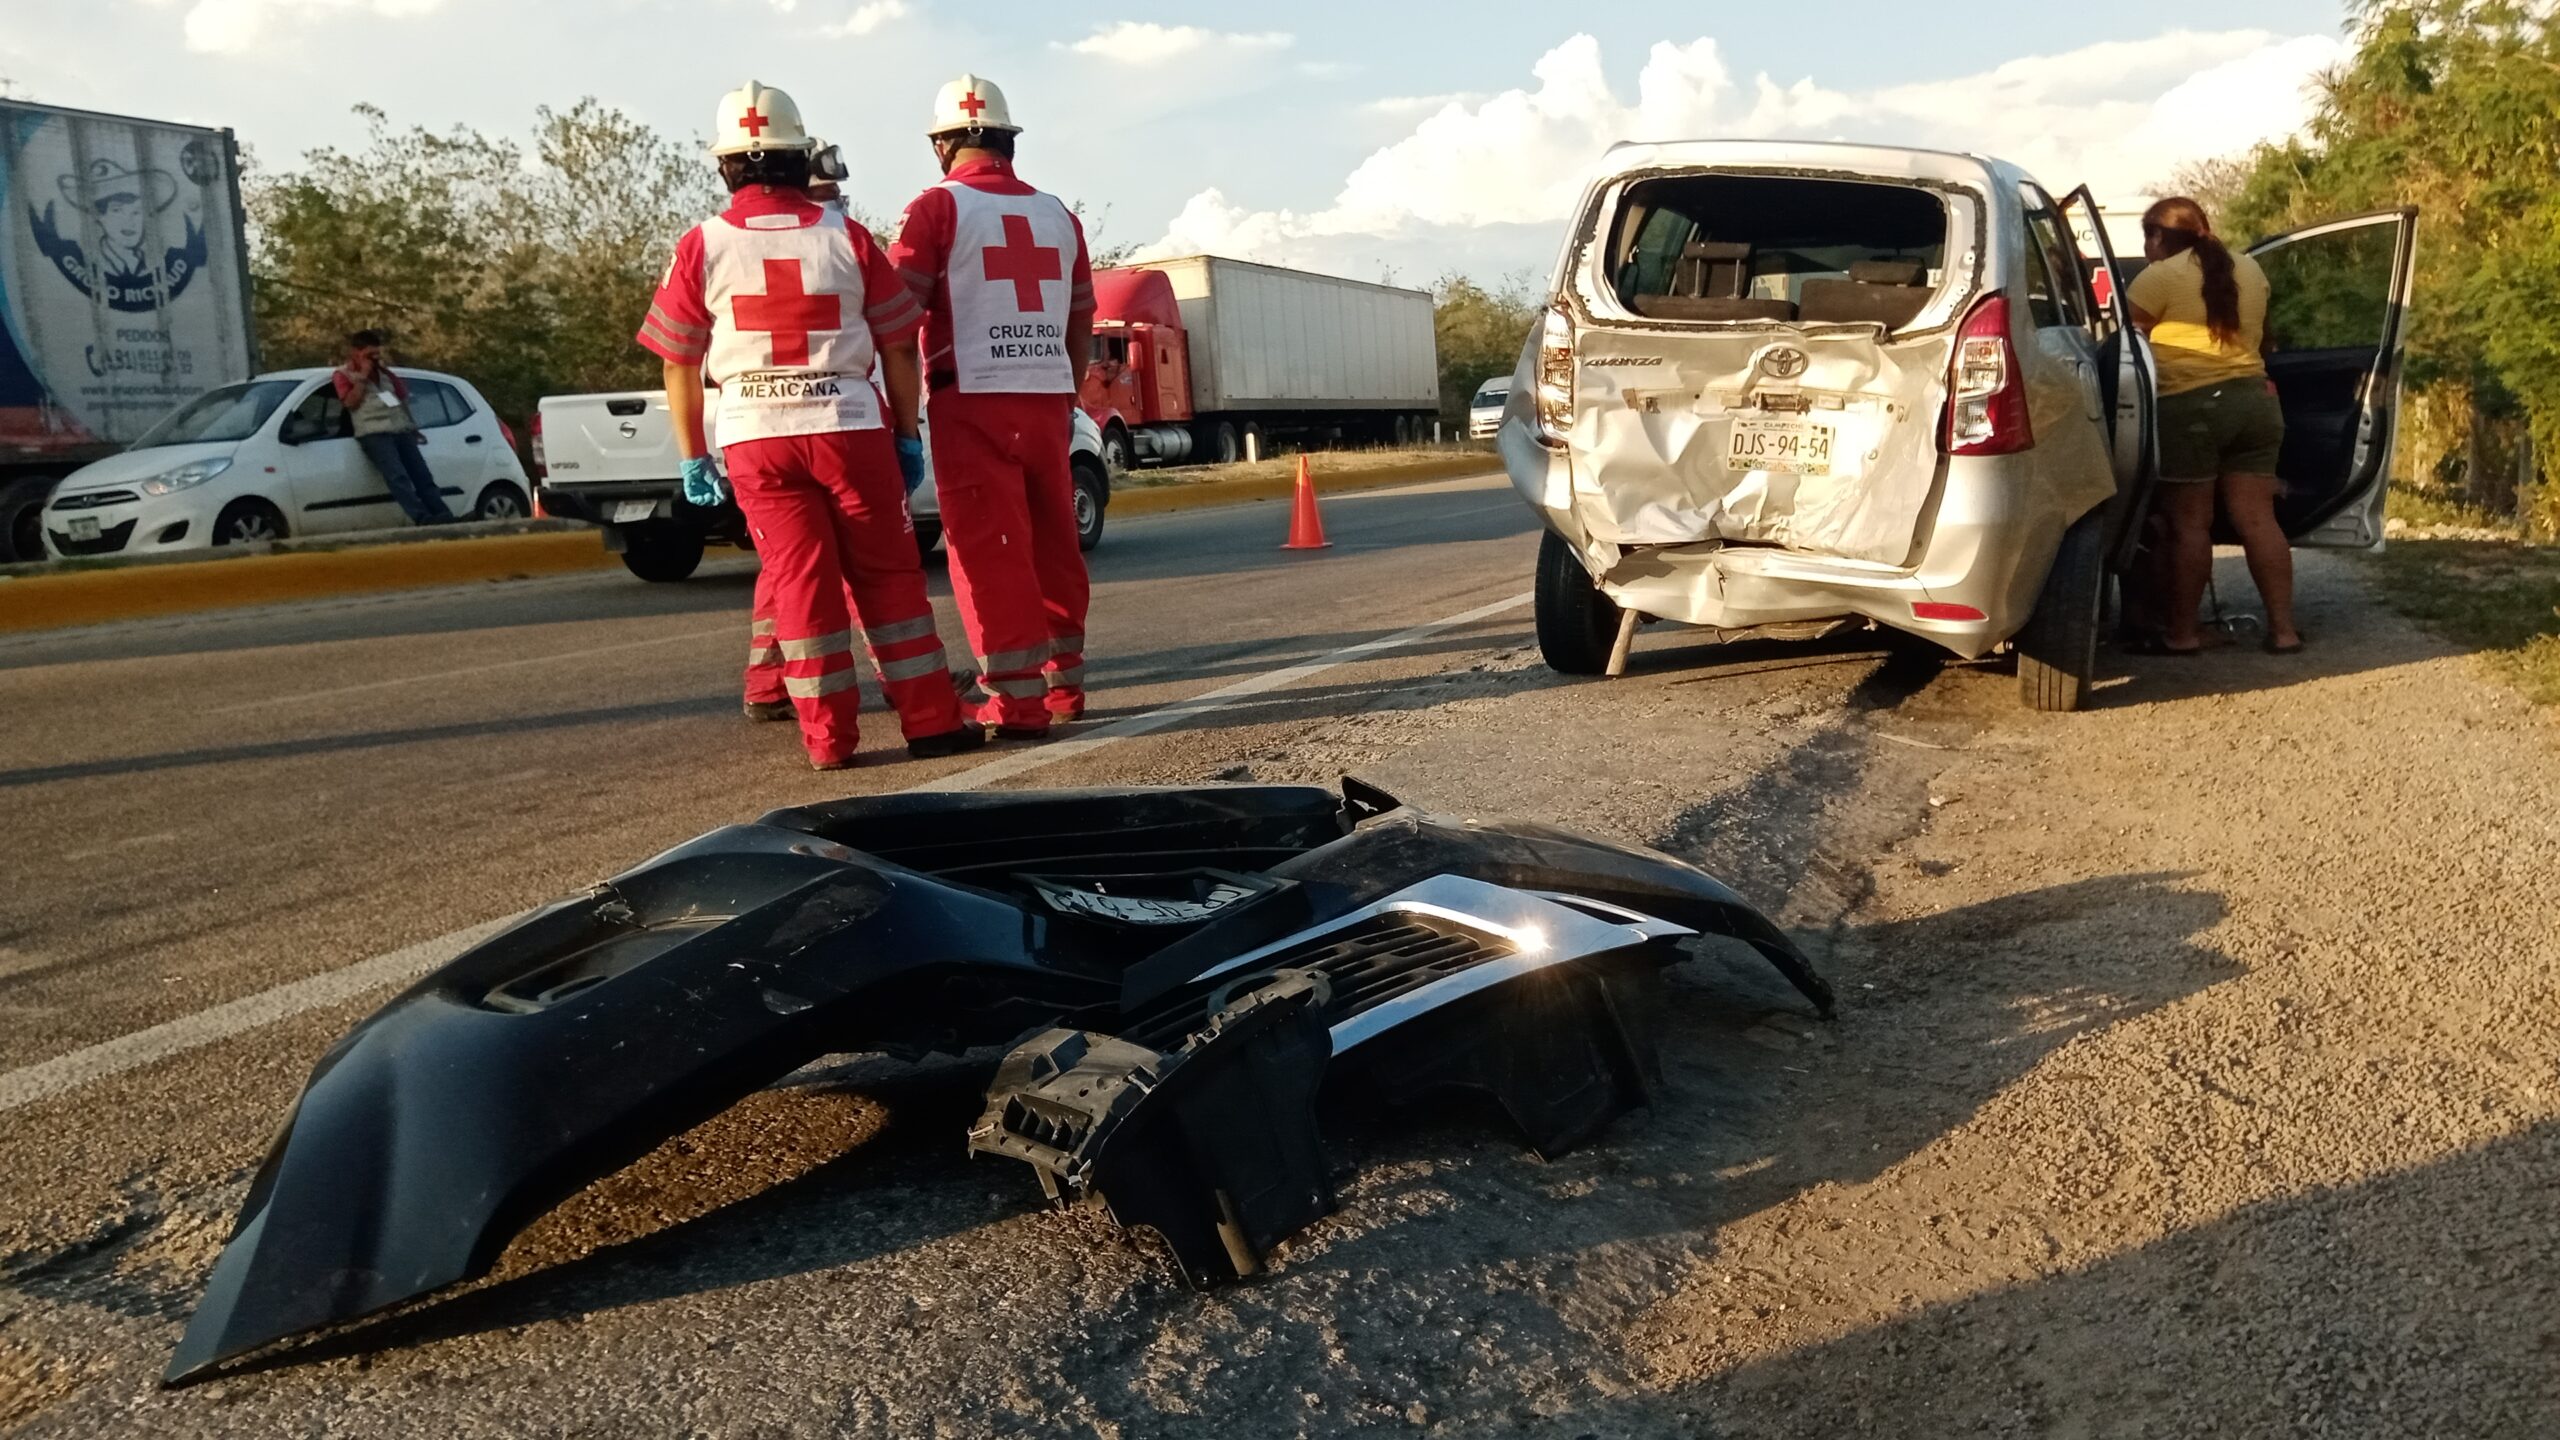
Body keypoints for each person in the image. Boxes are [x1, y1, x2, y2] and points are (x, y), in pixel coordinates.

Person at [638, 80, 982, 768]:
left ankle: (828, 740)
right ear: (800, 158)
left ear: (728, 165)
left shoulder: (701, 245)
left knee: (800, 584)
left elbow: (678, 360)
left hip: (757, 438)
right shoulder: (847, 236)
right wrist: (908, 434)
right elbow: (896, 343)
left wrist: (693, 456)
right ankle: (932, 724)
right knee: (889, 580)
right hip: (849, 428)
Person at [889, 74, 1095, 740]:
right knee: (1052, 542)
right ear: (1008, 141)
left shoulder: (935, 210)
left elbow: (895, 312)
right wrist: (1066, 390)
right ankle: (1064, 683)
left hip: (970, 399)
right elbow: (1081, 319)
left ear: (943, 145)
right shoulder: (1057, 214)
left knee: (991, 553)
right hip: (1046, 395)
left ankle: (1016, 702)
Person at [2127, 196, 2300, 656]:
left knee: (2189, 525)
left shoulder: (2158, 277)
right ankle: (2284, 631)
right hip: (2256, 402)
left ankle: (2182, 633)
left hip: (2191, 407)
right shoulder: (2249, 269)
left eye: (2148, 238)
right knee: (2259, 520)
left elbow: (2123, 345)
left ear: (2159, 237)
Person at [333, 330, 457, 526]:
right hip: (374, 433)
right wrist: (363, 376)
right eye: (369, 355)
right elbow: (350, 402)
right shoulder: (343, 375)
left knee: (421, 474)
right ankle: (422, 518)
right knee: (398, 477)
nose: (374, 359)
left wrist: (412, 427)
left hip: (400, 429)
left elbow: (401, 400)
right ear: (356, 352)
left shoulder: (385, 374)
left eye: (376, 354)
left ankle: (444, 515)